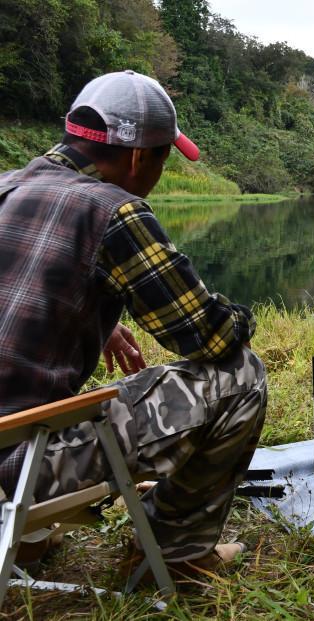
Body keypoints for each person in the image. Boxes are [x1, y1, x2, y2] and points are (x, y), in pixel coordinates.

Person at [0, 70, 267, 577]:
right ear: (141, 156)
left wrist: (95, 308)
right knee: (241, 376)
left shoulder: (7, 186)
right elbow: (209, 336)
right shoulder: (113, 210)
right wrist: (238, 314)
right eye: (165, 158)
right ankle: (175, 554)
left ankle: (28, 540)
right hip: (19, 460)